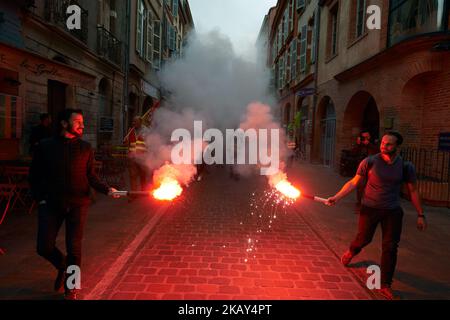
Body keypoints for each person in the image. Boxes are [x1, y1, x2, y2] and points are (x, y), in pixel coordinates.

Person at [325, 131, 427, 300]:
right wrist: (336, 197)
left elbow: (413, 190)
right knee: (364, 239)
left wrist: (420, 214)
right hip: (370, 208)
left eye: (389, 144)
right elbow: (353, 182)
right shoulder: (370, 162)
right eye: (383, 143)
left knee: (391, 247)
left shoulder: (405, 166)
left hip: (392, 211)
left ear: (397, 147)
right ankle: (352, 251)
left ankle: (386, 284)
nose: (384, 146)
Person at [29, 109, 119, 300]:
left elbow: (91, 176)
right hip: (51, 204)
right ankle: (62, 265)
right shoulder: (45, 146)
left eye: (82, 122)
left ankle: (72, 288)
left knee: (74, 248)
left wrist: (107, 189)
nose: (82, 125)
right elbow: (34, 176)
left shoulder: (85, 148)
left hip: (78, 204)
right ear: (64, 123)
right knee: (43, 246)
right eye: (77, 121)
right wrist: (40, 198)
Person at [350, 130, 378, 212]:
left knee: (372, 188)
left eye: (367, 136)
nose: (365, 138)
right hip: (362, 169)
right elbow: (352, 153)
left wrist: (369, 144)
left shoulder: (375, 143)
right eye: (364, 137)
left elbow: (377, 152)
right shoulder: (360, 145)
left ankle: (371, 205)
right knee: (360, 187)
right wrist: (358, 145)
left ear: (370, 136)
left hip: (373, 169)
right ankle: (359, 204)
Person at [124, 116, 149, 196]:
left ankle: (143, 191)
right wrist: (126, 144)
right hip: (132, 157)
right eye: (133, 122)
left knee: (143, 175)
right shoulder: (130, 131)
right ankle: (134, 194)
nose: (133, 123)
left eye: (135, 122)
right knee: (132, 176)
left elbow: (150, 143)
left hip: (143, 157)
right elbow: (128, 144)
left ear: (140, 122)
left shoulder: (146, 131)